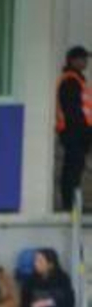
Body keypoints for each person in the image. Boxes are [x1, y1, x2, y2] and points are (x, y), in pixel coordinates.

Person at [57, 46, 90, 211]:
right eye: (82, 58)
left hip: (76, 133)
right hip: (74, 133)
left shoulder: (77, 79)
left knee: (75, 168)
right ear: (73, 60)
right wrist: (84, 131)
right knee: (72, 169)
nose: (86, 62)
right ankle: (70, 205)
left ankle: (72, 203)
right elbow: (74, 110)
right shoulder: (71, 80)